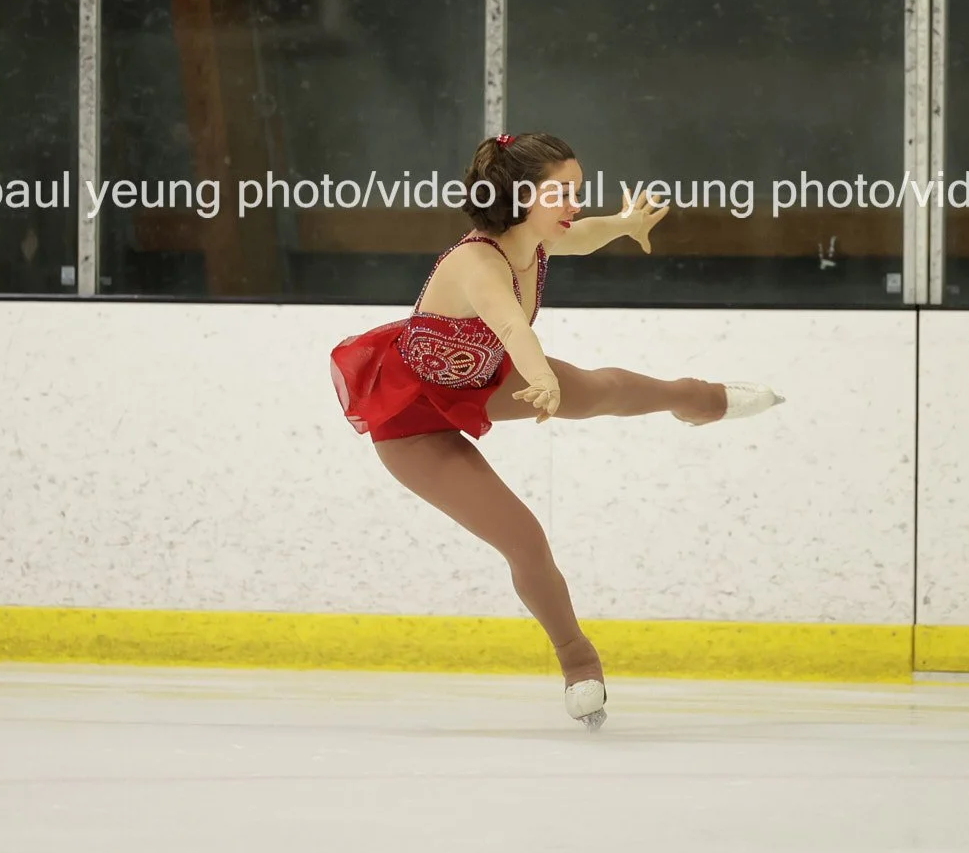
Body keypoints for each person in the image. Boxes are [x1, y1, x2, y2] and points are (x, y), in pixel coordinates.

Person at [330, 133, 784, 729]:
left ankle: (698, 398)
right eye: (562, 192)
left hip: (482, 380)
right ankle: (578, 662)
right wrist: (541, 376)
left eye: (577, 189)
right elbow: (511, 327)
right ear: (522, 195)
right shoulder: (475, 263)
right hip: (412, 422)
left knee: (600, 390)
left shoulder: (538, 240)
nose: (575, 203)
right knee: (524, 539)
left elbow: (584, 235)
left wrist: (624, 224)